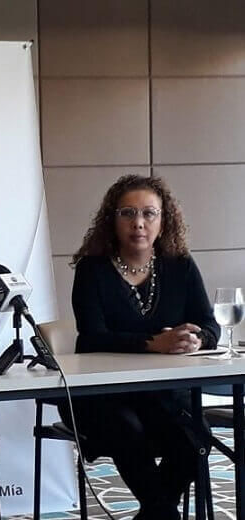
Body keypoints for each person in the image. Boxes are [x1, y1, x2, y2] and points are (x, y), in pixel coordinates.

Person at [62, 174, 219, 520]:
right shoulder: (92, 270)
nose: (139, 223)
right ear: (112, 219)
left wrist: (197, 340)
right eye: (128, 213)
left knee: (195, 441)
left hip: (163, 395)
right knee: (128, 431)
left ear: (164, 220)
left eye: (149, 213)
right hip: (103, 396)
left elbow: (210, 325)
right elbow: (92, 337)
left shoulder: (180, 265)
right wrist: (153, 344)